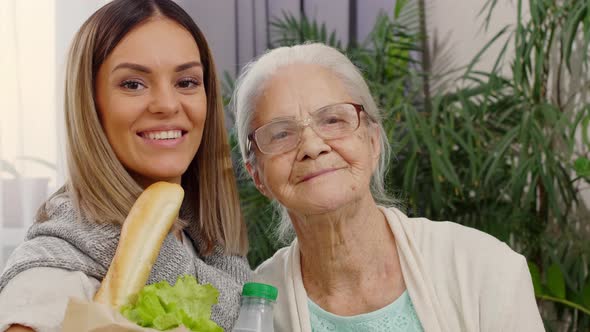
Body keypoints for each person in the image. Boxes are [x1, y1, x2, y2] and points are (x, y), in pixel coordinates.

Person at [232, 43, 544, 332]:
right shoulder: (254, 307)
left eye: (333, 120)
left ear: (373, 140)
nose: (313, 146)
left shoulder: (486, 270)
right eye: (281, 134)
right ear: (257, 175)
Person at [0, 1, 250, 331]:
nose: (166, 104)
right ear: (91, 105)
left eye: (186, 82)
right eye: (133, 84)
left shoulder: (209, 252)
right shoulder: (50, 276)